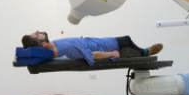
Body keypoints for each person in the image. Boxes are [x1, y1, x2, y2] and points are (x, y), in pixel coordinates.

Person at [21, 31, 163, 66]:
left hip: (96, 42)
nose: (39, 31)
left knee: (126, 40)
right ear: (43, 44)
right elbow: (91, 56)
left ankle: (139, 52)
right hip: (106, 46)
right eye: (37, 34)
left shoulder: (53, 45)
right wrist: (111, 54)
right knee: (126, 39)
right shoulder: (67, 49)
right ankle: (144, 52)